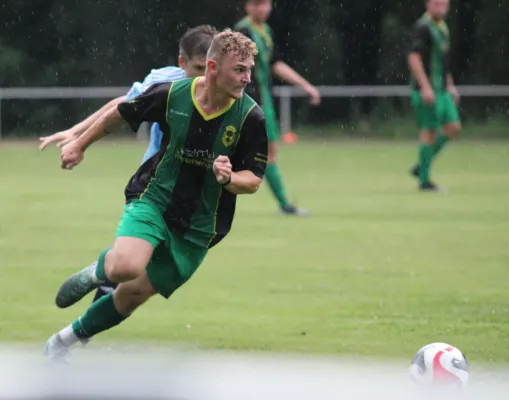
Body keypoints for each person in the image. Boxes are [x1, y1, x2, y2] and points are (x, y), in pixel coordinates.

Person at [43, 29, 268, 361]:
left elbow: (253, 180)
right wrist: (80, 143)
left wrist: (230, 177)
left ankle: (61, 343)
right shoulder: (173, 93)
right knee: (125, 268)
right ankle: (98, 271)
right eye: (239, 69)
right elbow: (122, 111)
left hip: (199, 226)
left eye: (249, 69)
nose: (247, 78)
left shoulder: (251, 118)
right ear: (212, 67)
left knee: (132, 295)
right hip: (155, 197)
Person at [39, 25, 217, 304]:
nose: (207, 77)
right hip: (153, 189)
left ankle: (84, 319)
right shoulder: (163, 84)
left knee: (136, 277)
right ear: (182, 63)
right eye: (198, 68)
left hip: (195, 197)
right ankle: (84, 318)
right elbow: (122, 106)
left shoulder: (229, 91)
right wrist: (77, 134)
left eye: (211, 68)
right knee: (131, 267)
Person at [235, 0, 321, 215]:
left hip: (265, 101)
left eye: (265, 3)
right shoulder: (243, 31)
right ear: (247, 6)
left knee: (267, 153)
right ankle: (284, 205)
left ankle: (284, 204)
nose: (262, 8)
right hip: (249, 102)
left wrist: (305, 85)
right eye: (257, 4)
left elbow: (275, 64)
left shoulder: (266, 31)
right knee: (262, 153)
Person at [408, 0, 461, 191]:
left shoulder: (442, 27)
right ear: (428, 5)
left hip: (442, 89)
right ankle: (424, 181)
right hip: (427, 89)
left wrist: (450, 84)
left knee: (453, 126)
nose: (441, 8)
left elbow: (442, 60)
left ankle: (423, 164)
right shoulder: (423, 27)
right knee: (429, 131)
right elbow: (414, 58)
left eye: (444, 4)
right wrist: (425, 87)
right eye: (437, 4)